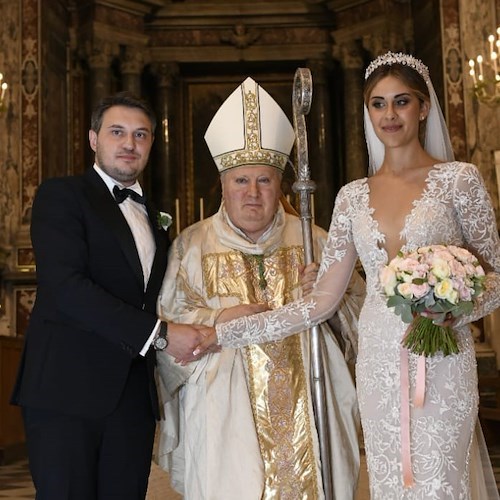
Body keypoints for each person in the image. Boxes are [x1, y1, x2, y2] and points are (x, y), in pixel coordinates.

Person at [194, 54, 500, 498]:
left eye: (401, 102)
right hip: (378, 359)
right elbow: (320, 302)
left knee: (438, 479)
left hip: (443, 355)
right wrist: (227, 333)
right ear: (367, 111)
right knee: (390, 480)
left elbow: (495, 277)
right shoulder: (352, 196)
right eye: (378, 104)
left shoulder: (458, 180)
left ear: (424, 107)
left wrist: (454, 307)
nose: (389, 115)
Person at [155, 77, 365, 499]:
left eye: (264, 181)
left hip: (312, 396)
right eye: (241, 181)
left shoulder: (316, 241)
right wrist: (218, 319)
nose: (252, 193)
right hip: (223, 412)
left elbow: (364, 315)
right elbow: (168, 326)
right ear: (223, 187)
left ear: (280, 188)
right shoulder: (191, 247)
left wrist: (333, 297)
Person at [10, 91, 211, 500]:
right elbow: (66, 288)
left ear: (151, 143)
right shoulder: (62, 196)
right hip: (66, 391)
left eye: (141, 135)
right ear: (93, 139)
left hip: (131, 398)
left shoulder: (155, 218)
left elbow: (169, 294)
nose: (129, 143)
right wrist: (160, 334)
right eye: (117, 132)